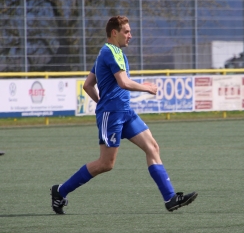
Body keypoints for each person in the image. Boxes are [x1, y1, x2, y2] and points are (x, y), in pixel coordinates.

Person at [50, 15, 198, 214]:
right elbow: (123, 82)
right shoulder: (111, 52)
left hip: (125, 112)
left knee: (152, 146)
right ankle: (60, 191)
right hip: (112, 115)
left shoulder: (108, 52)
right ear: (114, 33)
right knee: (106, 164)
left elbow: (87, 85)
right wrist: (145, 88)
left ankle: (170, 198)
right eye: (126, 32)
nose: (130, 35)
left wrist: (102, 101)